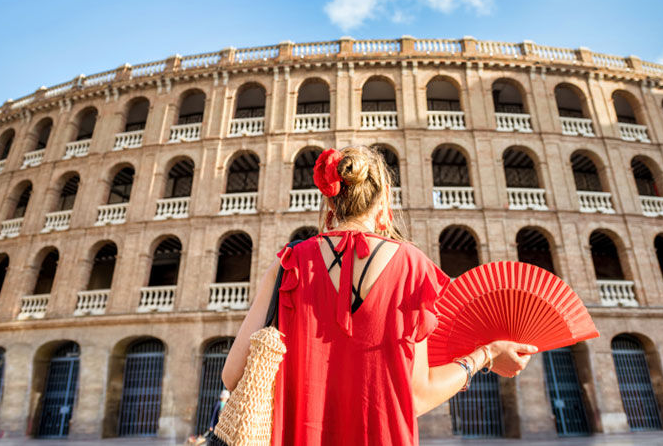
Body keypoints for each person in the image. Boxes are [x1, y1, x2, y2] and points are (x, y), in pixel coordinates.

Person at [221, 146, 536, 446]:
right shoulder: (413, 268)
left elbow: (232, 375)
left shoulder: (288, 264)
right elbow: (417, 396)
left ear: (331, 205)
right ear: (385, 202)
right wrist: (486, 355)